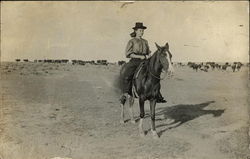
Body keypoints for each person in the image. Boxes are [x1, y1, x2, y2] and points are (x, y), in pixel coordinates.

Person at [120, 22, 166, 103]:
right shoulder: (132, 41)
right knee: (127, 72)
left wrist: (149, 55)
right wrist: (140, 57)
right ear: (136, 31)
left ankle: (157, 93)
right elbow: (128, 54)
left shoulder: (145, 41)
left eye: (142, 31)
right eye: (140, 30)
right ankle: (125, 93)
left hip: (145, 61)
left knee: (155, 73)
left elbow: (148, 51)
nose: (142, 32)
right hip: (135, 61)